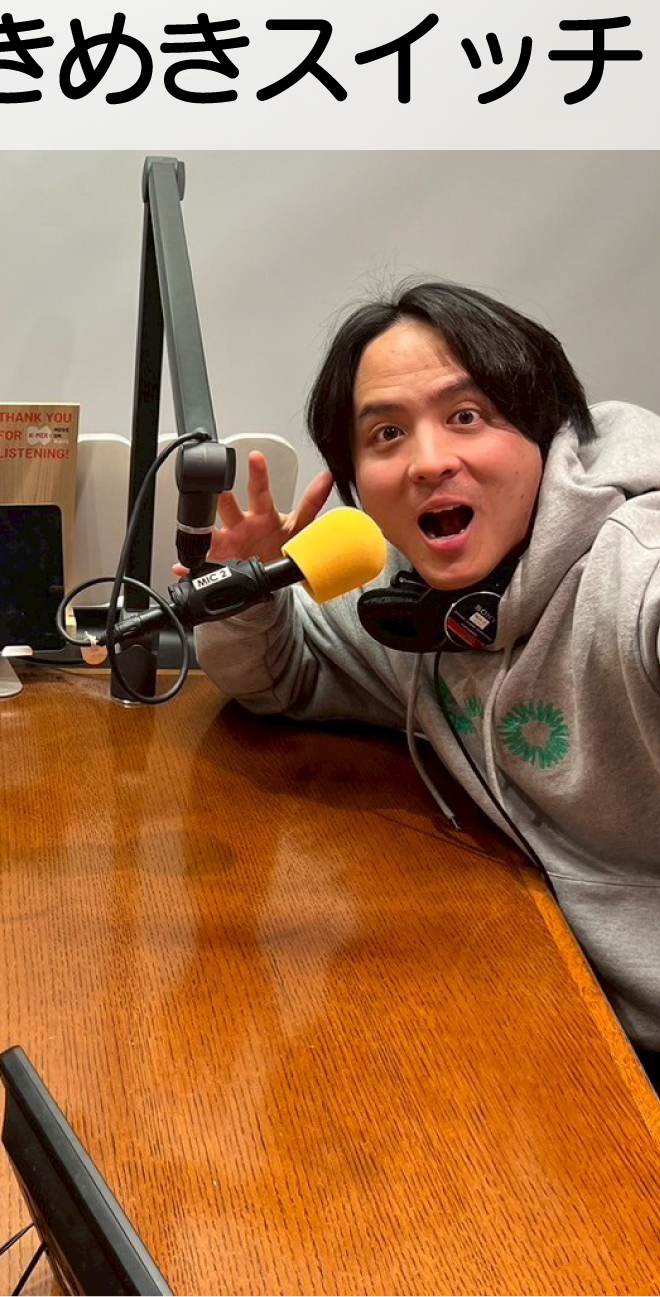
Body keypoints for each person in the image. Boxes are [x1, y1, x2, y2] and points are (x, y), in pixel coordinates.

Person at [193, 280, 660, 1077]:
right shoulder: (409, 606)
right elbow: (281, 678)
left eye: (467, 416)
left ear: (545, 431)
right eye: (386, 434)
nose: (430, 461)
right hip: (565, 1007)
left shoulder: (633, 575)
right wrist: (252, 595)